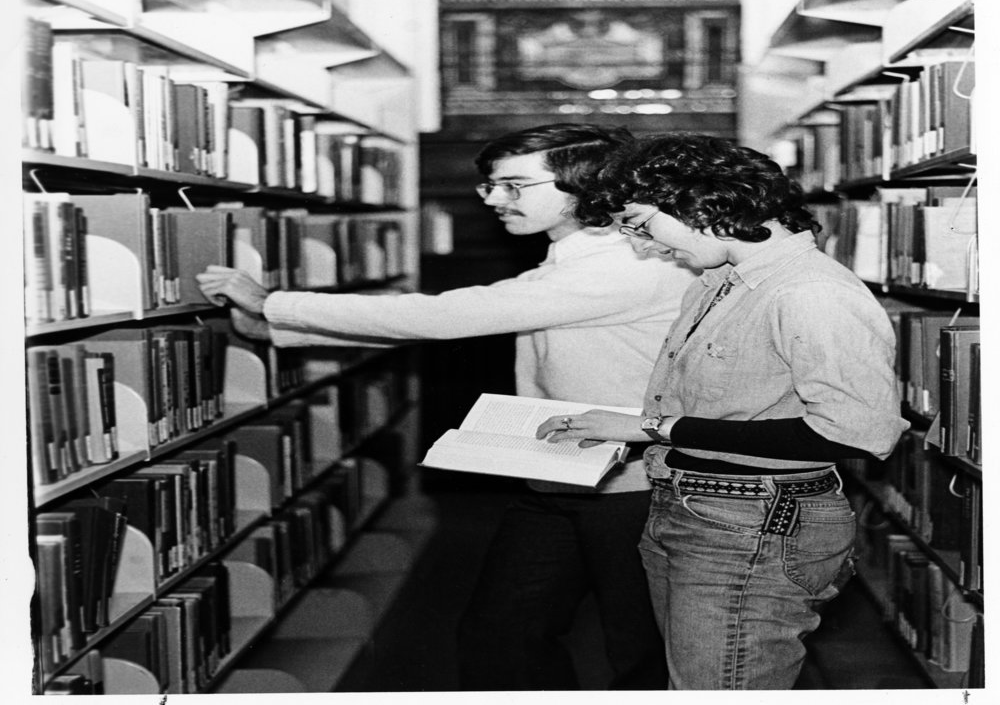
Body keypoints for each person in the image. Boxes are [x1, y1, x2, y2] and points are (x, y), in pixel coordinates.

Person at [196, 123, 695, 690]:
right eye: (489, 187)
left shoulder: (627, 263)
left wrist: (274, 303)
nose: (495, 201)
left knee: (640, 649)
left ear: (584, 184)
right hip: (563, 478)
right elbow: (454, 320)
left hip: (636, 489)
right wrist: (273, 324)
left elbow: (448, 317)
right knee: (500, 635)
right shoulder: (572, 257)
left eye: (514, 185)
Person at [537, 133, 909, 690]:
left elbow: (856, 433)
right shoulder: (716, 282)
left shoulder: (807, 292)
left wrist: (655, 428)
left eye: (641, 224)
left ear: (701, 201)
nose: (643, 246)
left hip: (755, 523)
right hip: (689, 507)